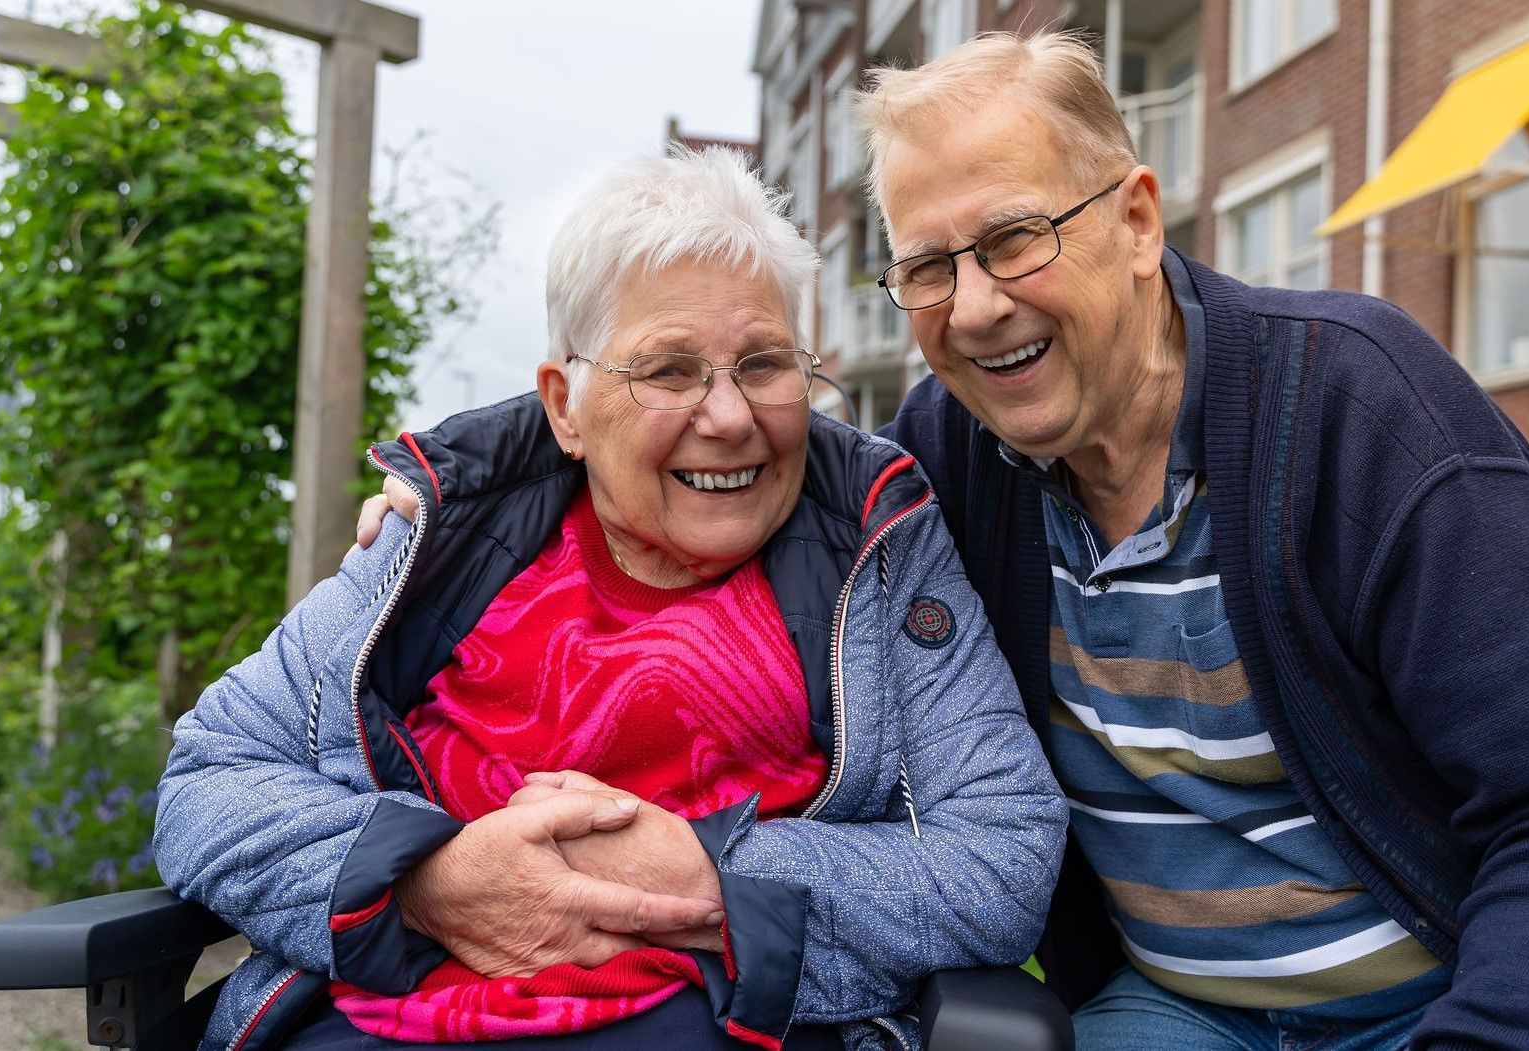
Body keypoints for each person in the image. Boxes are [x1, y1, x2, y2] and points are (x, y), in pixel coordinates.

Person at [361, 33, 1529, 1051]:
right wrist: (449, 501)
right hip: (1185, 1014)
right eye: (927, 265)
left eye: (1014, 238)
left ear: (1133, 217)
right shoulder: (947, 452)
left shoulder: (1362, 406)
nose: (976, 303)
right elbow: (701, 417)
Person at [156, 146, 1065, 1051]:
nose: (729, 416)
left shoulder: (879, 544)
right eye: (668, 370)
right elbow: (209, 780)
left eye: (763, 363)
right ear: (566, 406)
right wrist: (426, 876)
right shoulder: (437, 544)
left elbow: (1002, 854)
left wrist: (714, 875)